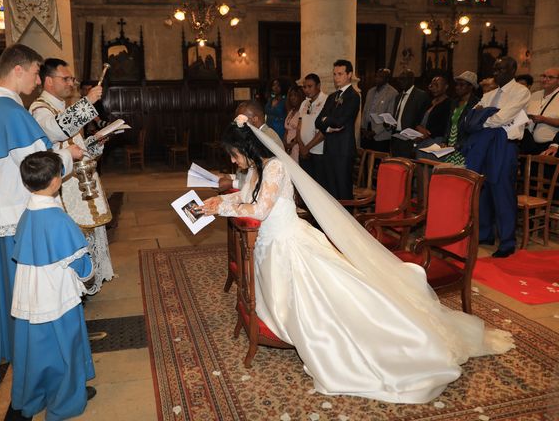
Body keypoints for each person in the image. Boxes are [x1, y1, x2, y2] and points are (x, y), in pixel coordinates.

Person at [200, 115, 513, 403]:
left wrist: (220, 209)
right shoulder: (255, 169)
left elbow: (259, 210)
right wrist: (217, 200)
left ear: (246, 147)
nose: (231, 159)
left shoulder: (275, 168)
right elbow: (244, 197)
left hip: (289, 245)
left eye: (233, 153)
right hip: (271, 246)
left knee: (324, 304)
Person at [0, 44, 82, 364]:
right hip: (18, 216)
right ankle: (37, 359)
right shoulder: (11, 113)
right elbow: (36, 166)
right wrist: (68, 156)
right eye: (34, 72)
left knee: (3, 288)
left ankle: (5, 346)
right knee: (33, 296)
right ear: (18, 69)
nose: (36, 79)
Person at [10, 151, 96, 420]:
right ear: (57, 181)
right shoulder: (59, 220)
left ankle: (34, 396)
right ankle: (66, 401)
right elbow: (81, 265)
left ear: (27, 183)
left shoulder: (26, 215)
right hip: (57, 295)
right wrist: (87, 276)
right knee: (65, 346)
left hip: (29, 295)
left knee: (38, 350)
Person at [31, 59, 114, 295]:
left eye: (71, 79)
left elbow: (76, 146)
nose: (71, 83)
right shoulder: (40, 109)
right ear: (49, 81)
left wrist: (95, 142)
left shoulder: (63, 107)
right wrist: (88, 102)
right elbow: (55, 130)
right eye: (65, 79)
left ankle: (89, 280)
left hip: (80, 181)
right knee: (76, 238)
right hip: (63, 186)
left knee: (90, 233)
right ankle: (78, 284)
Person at [468, 56, 531, 258]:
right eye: (495, 69)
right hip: (484, 143)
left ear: (512, 70)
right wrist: (486, 116)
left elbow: (502, 118)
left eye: (501, 69)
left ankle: (507, 241)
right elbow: (470, 117)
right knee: (483, 188)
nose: (496, 73)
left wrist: (484, 118)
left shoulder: (520, 91)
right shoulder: (489, 94)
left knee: (502, 190)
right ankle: (486, 233)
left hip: (504, 145)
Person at [315, 59, 360, 201]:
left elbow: (341, 121)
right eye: (334, 74)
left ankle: (347, 222)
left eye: (340, 74)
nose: (336, 78)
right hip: (329, 148)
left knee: (343, 189)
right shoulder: (331, 97)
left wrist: (326, 120)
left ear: (349, 74)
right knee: (330, 190)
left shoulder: (353, 96)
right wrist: (328, 127)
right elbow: (318, 121)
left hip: (343, 150)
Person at [218, 100, 284, 192]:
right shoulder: (256, 137)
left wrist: (232, 183)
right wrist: (229, 176)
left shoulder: (267, 138)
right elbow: (251, 170)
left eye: (241, 120)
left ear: (255, 119)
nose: (238, 125)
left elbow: (263, 181)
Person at [440, 71, 481, 165]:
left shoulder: (477, 104)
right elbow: (449, 124)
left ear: (471, 87)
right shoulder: (454, 102)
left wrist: (459, 145)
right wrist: (444, 141)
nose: (457, 87)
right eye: (457, 84)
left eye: (461, 85)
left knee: (460, 175)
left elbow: (473, 130)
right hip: (450, 145)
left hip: (464, 146)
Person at [390, 69, 430, 158]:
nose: (400, 82)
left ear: (412, 80)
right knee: (396, 165)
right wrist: (390, 123)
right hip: (396, 137)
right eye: (399, 79)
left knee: (408, 166)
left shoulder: (420, 95)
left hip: (410, 139)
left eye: (403, 79)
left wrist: (417, 136)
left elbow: (422, 118)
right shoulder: (398, 96)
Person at [297, 73, 327, 186]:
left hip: (318, 151)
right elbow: (299, 126)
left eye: (310, 86)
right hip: (303, 150)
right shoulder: (304, 103)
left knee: (319, 186)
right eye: (305, 87)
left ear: (318, 85)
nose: (307, 90)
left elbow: (324, 130)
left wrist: (307, 147)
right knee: (306, 185)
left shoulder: (326, 100)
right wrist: (301, 146)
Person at [522, 67, 559, 154]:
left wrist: (544, 120)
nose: (545, 79)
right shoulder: (534, 95)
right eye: (543, 76)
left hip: (550, 145)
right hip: (528, 143)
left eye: (550, 77)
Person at [360, 68, 398, 152]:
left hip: (381, 134)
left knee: (378, 162)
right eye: (376, 76)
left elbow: (389, 117)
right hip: (367, 130)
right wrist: (363, 128)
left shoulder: (392, 93)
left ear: (387, 79)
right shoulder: (370, 91)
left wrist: (374, 132)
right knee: (366, 160)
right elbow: (365, 111)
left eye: (380, 77)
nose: (377, 78)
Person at [415, 76, 452, 145]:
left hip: (436, 141)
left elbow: (445, 125)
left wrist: (428, 133)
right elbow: (417, 118)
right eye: (432, 85)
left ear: (446, 87)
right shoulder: (427, 101)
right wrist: (418, 127)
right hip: (420, 139)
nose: (433, 88)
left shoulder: (449, 104)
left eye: (437, 85)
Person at [283, 85, 304, 162]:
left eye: (295, 95)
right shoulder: (291, 111)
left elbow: (301, 131)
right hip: (288, 146)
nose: (292, 97)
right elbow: (287, 130)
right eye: (291, 95)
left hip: (296, 145)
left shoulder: (302, 112)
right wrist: (285, 142)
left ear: (300, 97)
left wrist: (292, 144)